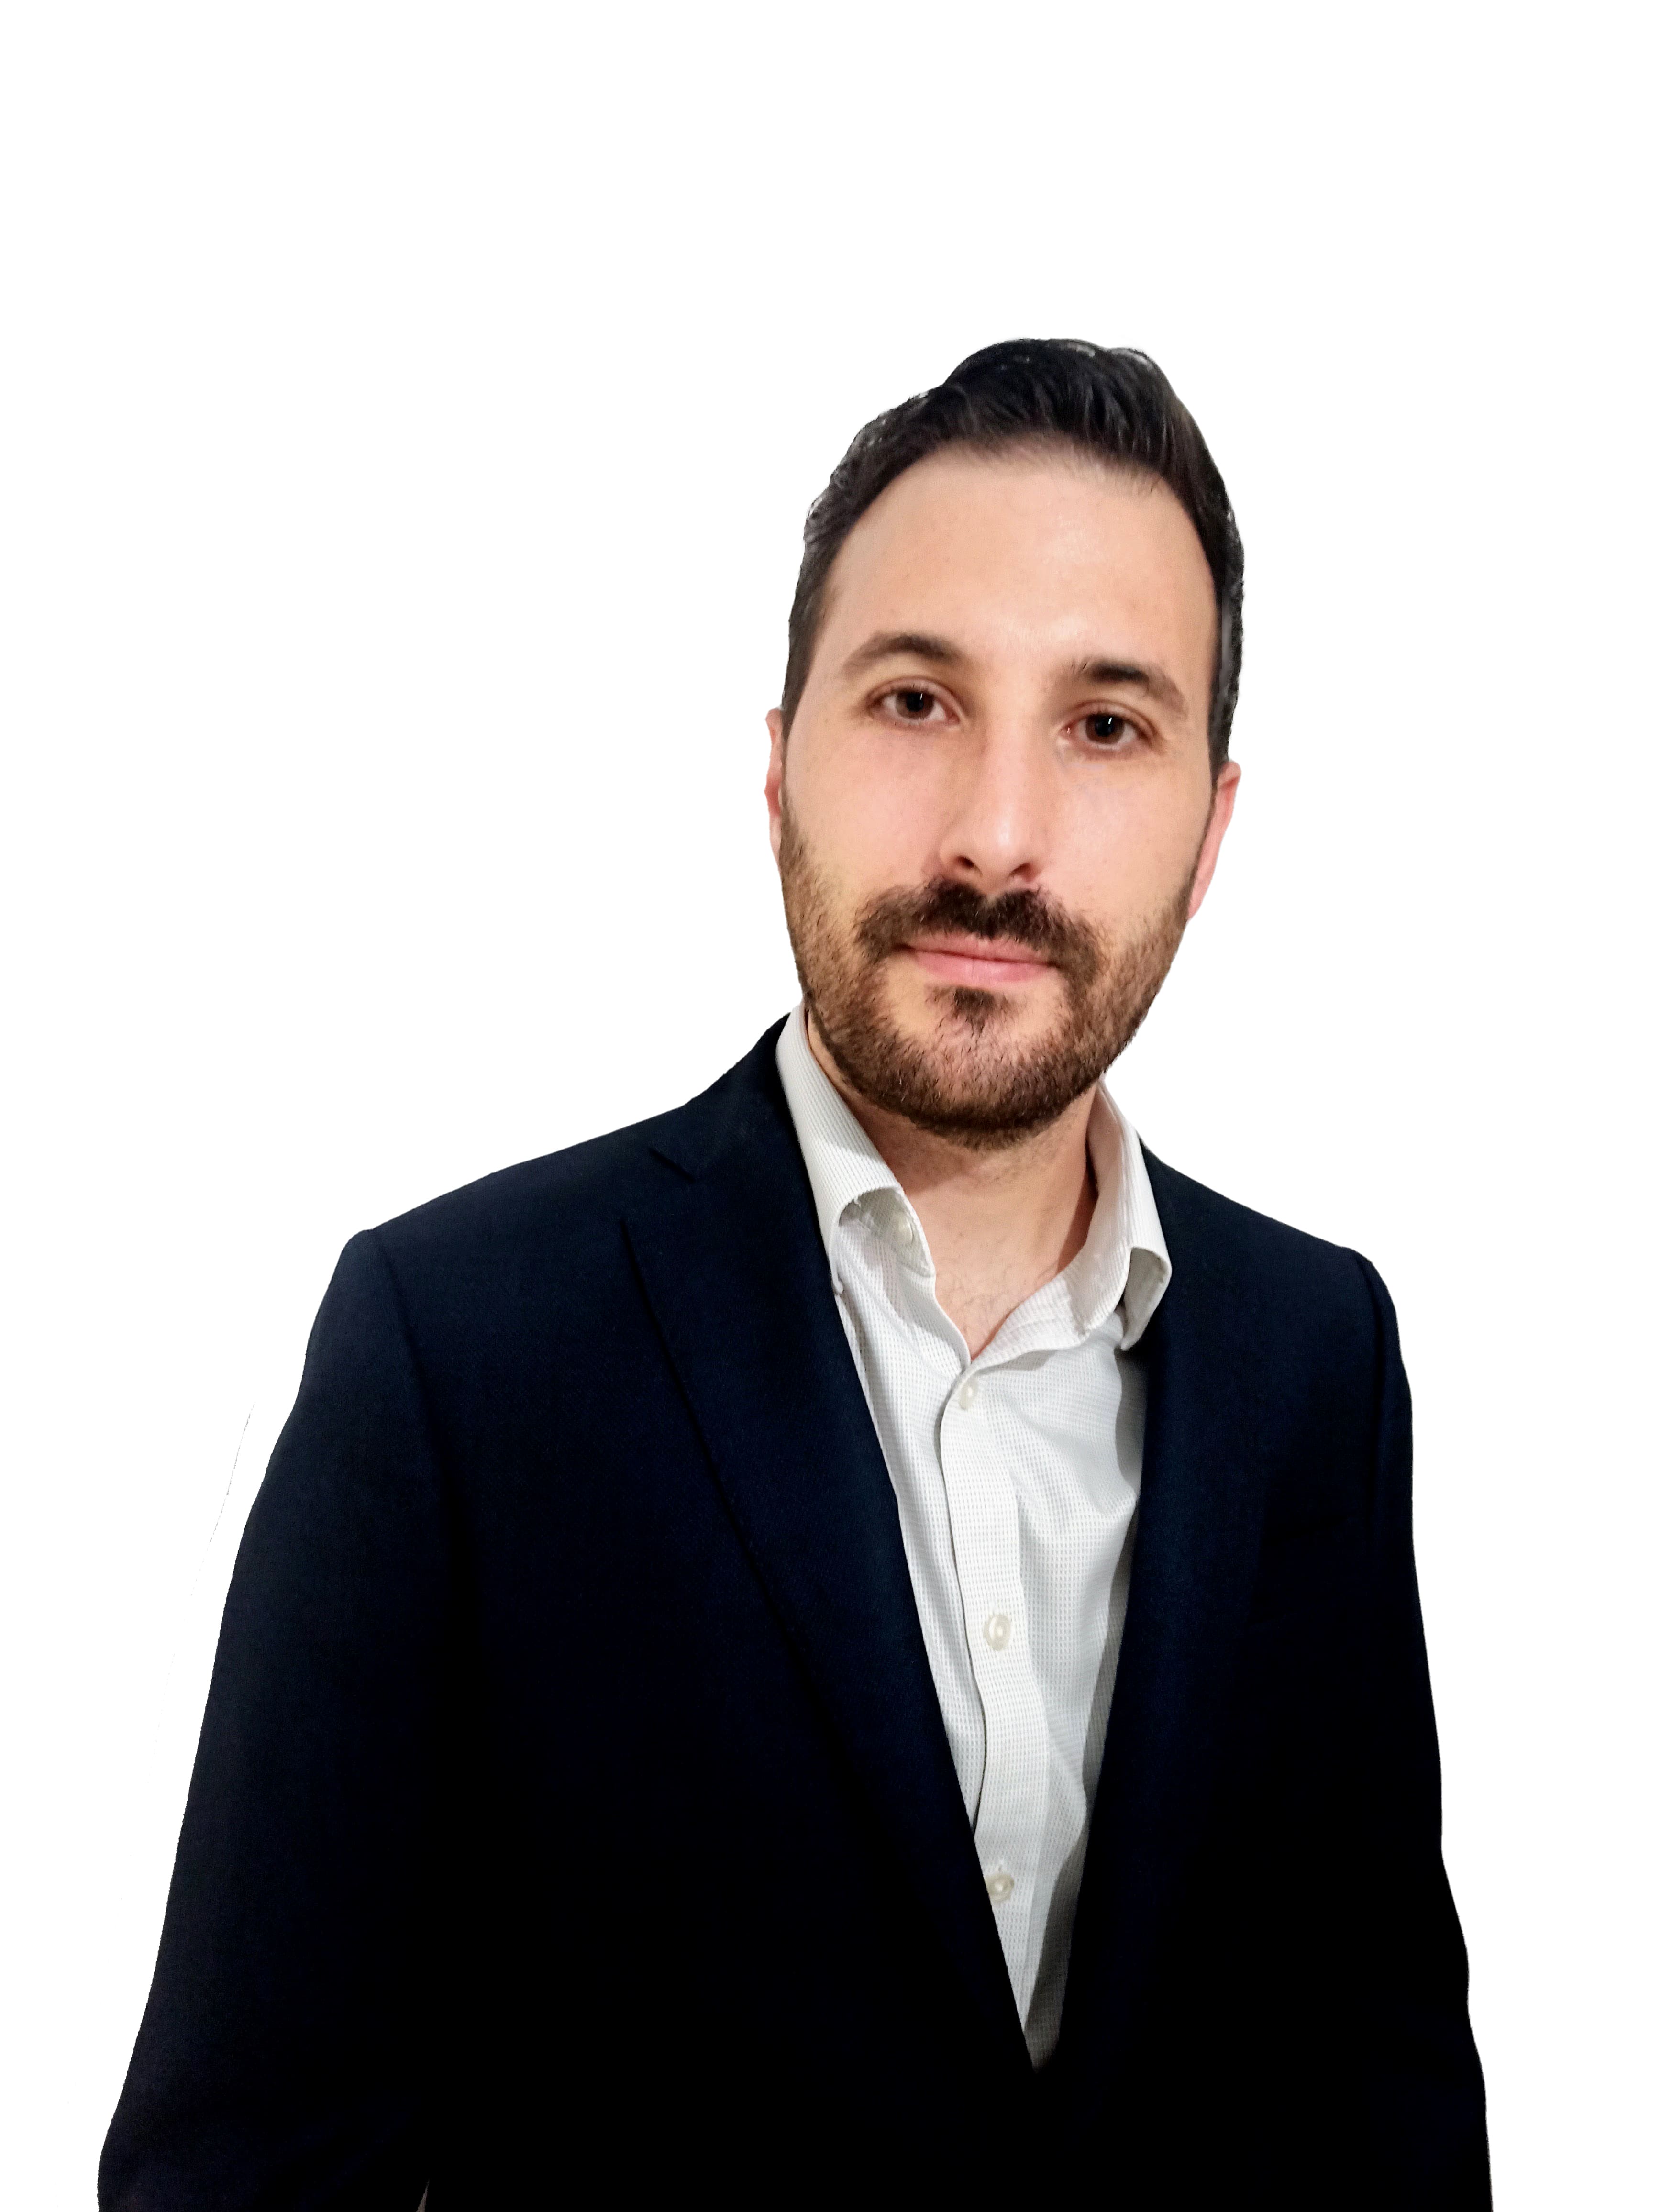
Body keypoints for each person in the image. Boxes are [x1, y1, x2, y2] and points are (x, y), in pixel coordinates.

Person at [100, 340, 1489, 2207]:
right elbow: (244, 2170)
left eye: (1105, 726)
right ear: (779, 770)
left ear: (1211, 829)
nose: (997, 834)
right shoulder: (459, 1350)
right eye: (916, 700)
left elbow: (1379, 2108)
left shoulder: (1318, 1358)